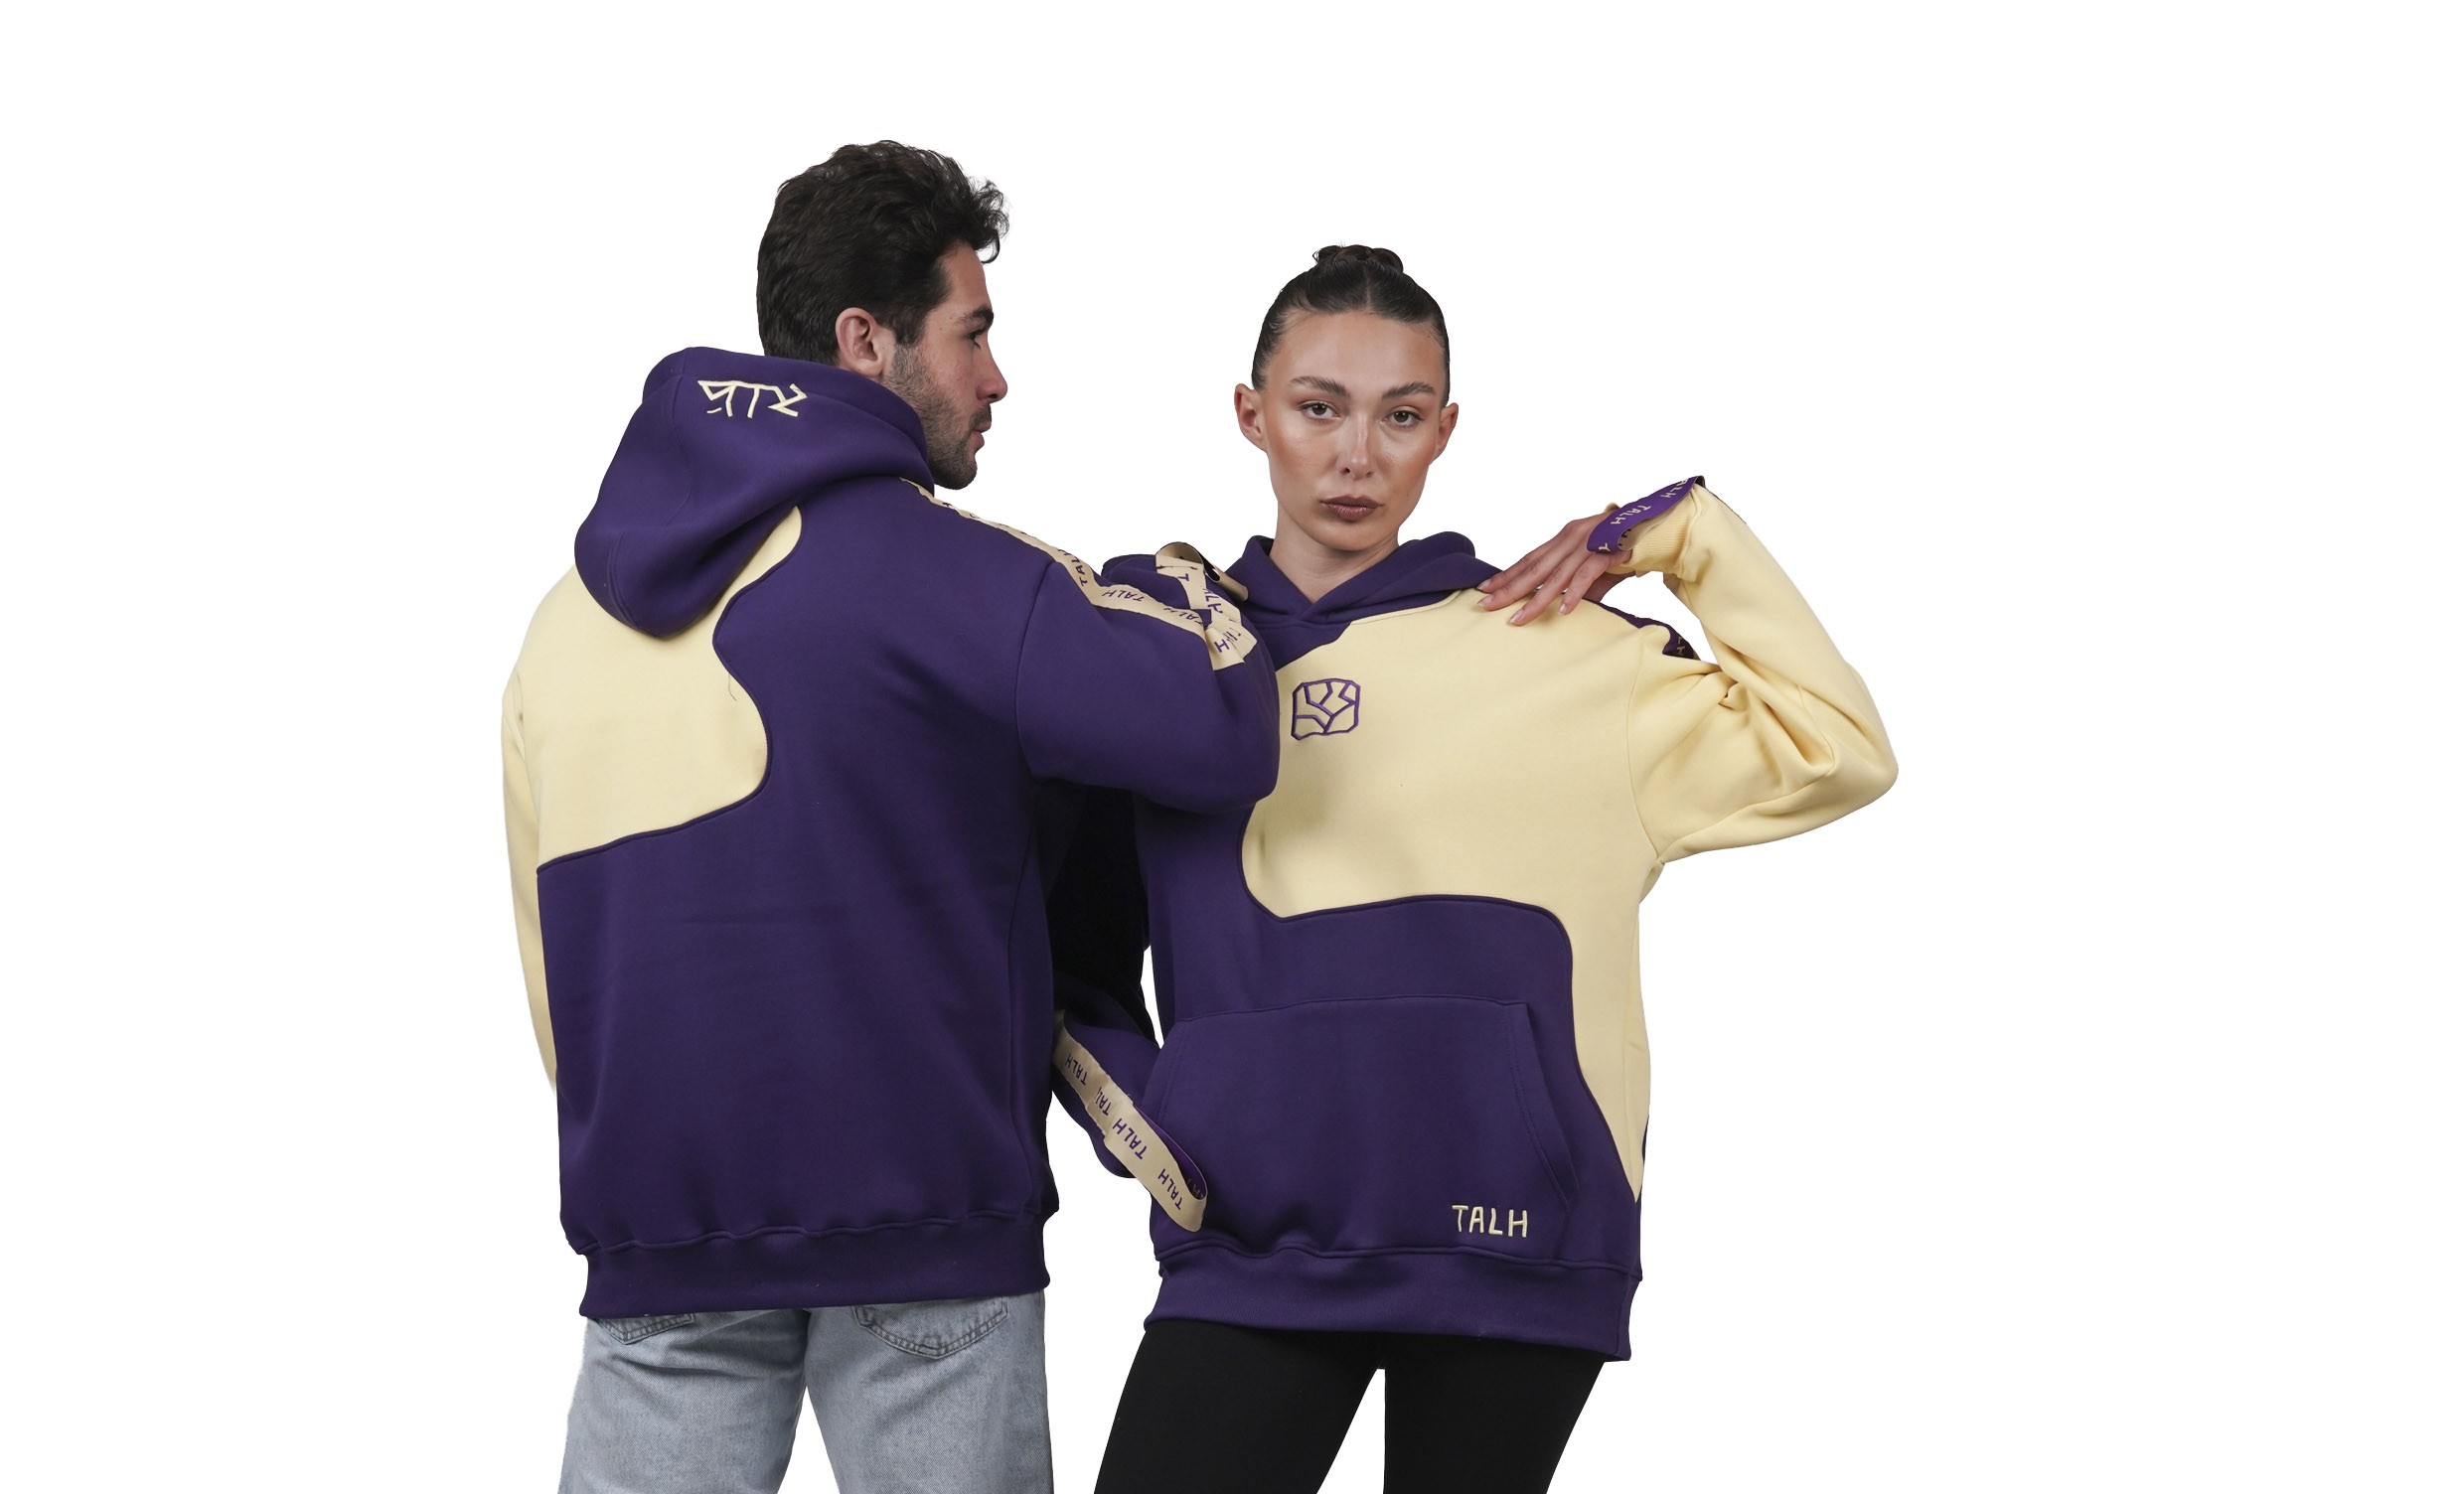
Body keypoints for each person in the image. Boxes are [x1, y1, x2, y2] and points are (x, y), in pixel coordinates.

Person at [500, 142, 1278, 1494]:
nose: (996, 377)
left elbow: (546, 962)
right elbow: (1221, 725)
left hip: (660, 1234)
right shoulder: (965, 581)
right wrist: (1188, 581)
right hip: (925, 1225)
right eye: (971, 333)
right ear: (866, 342)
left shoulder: (562, 625)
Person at [1054, 246, 1898, 1493]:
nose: (1356, 455)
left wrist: (1685, 536)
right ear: (1250, 413)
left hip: (1515, 1239)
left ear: (1443, 431)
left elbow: (1837, 747)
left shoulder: (1564, 653)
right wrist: (1151, 1127)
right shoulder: (1161, 662)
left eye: (1399, 417)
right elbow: (1063, 954)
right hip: (1253, 1238)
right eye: (1318, 408)